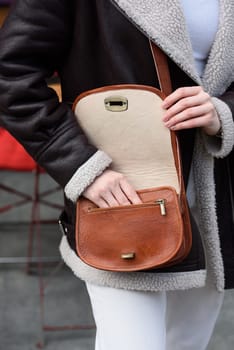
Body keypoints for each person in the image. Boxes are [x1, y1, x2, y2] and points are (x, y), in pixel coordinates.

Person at [0, 0, 234, 349]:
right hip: (123, 200)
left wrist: (224, 113)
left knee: (187, 344)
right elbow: (9, 74)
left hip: (214, 201)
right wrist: (82, 166)